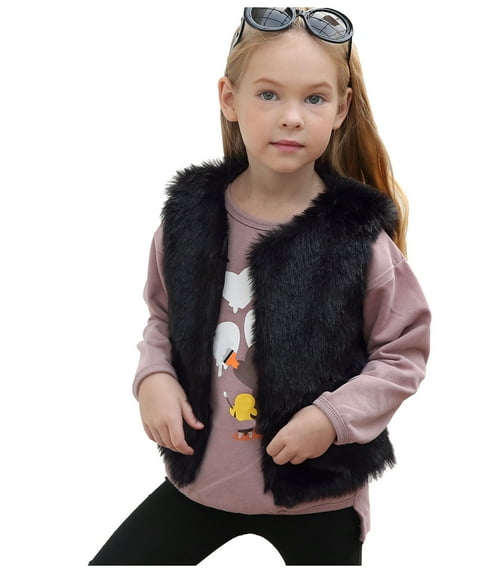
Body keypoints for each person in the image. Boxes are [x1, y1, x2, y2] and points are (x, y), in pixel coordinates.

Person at [89, 7, 431, 566]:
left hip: (318, 497)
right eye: (268, 94)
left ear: (341, 109)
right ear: (229, 98)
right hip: (201, 485)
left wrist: (331, 418)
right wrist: (153, 377)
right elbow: (162, 318)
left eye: (314, 98)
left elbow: (402, 353)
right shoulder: (189, 221)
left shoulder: (357, 238)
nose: (291, 117)